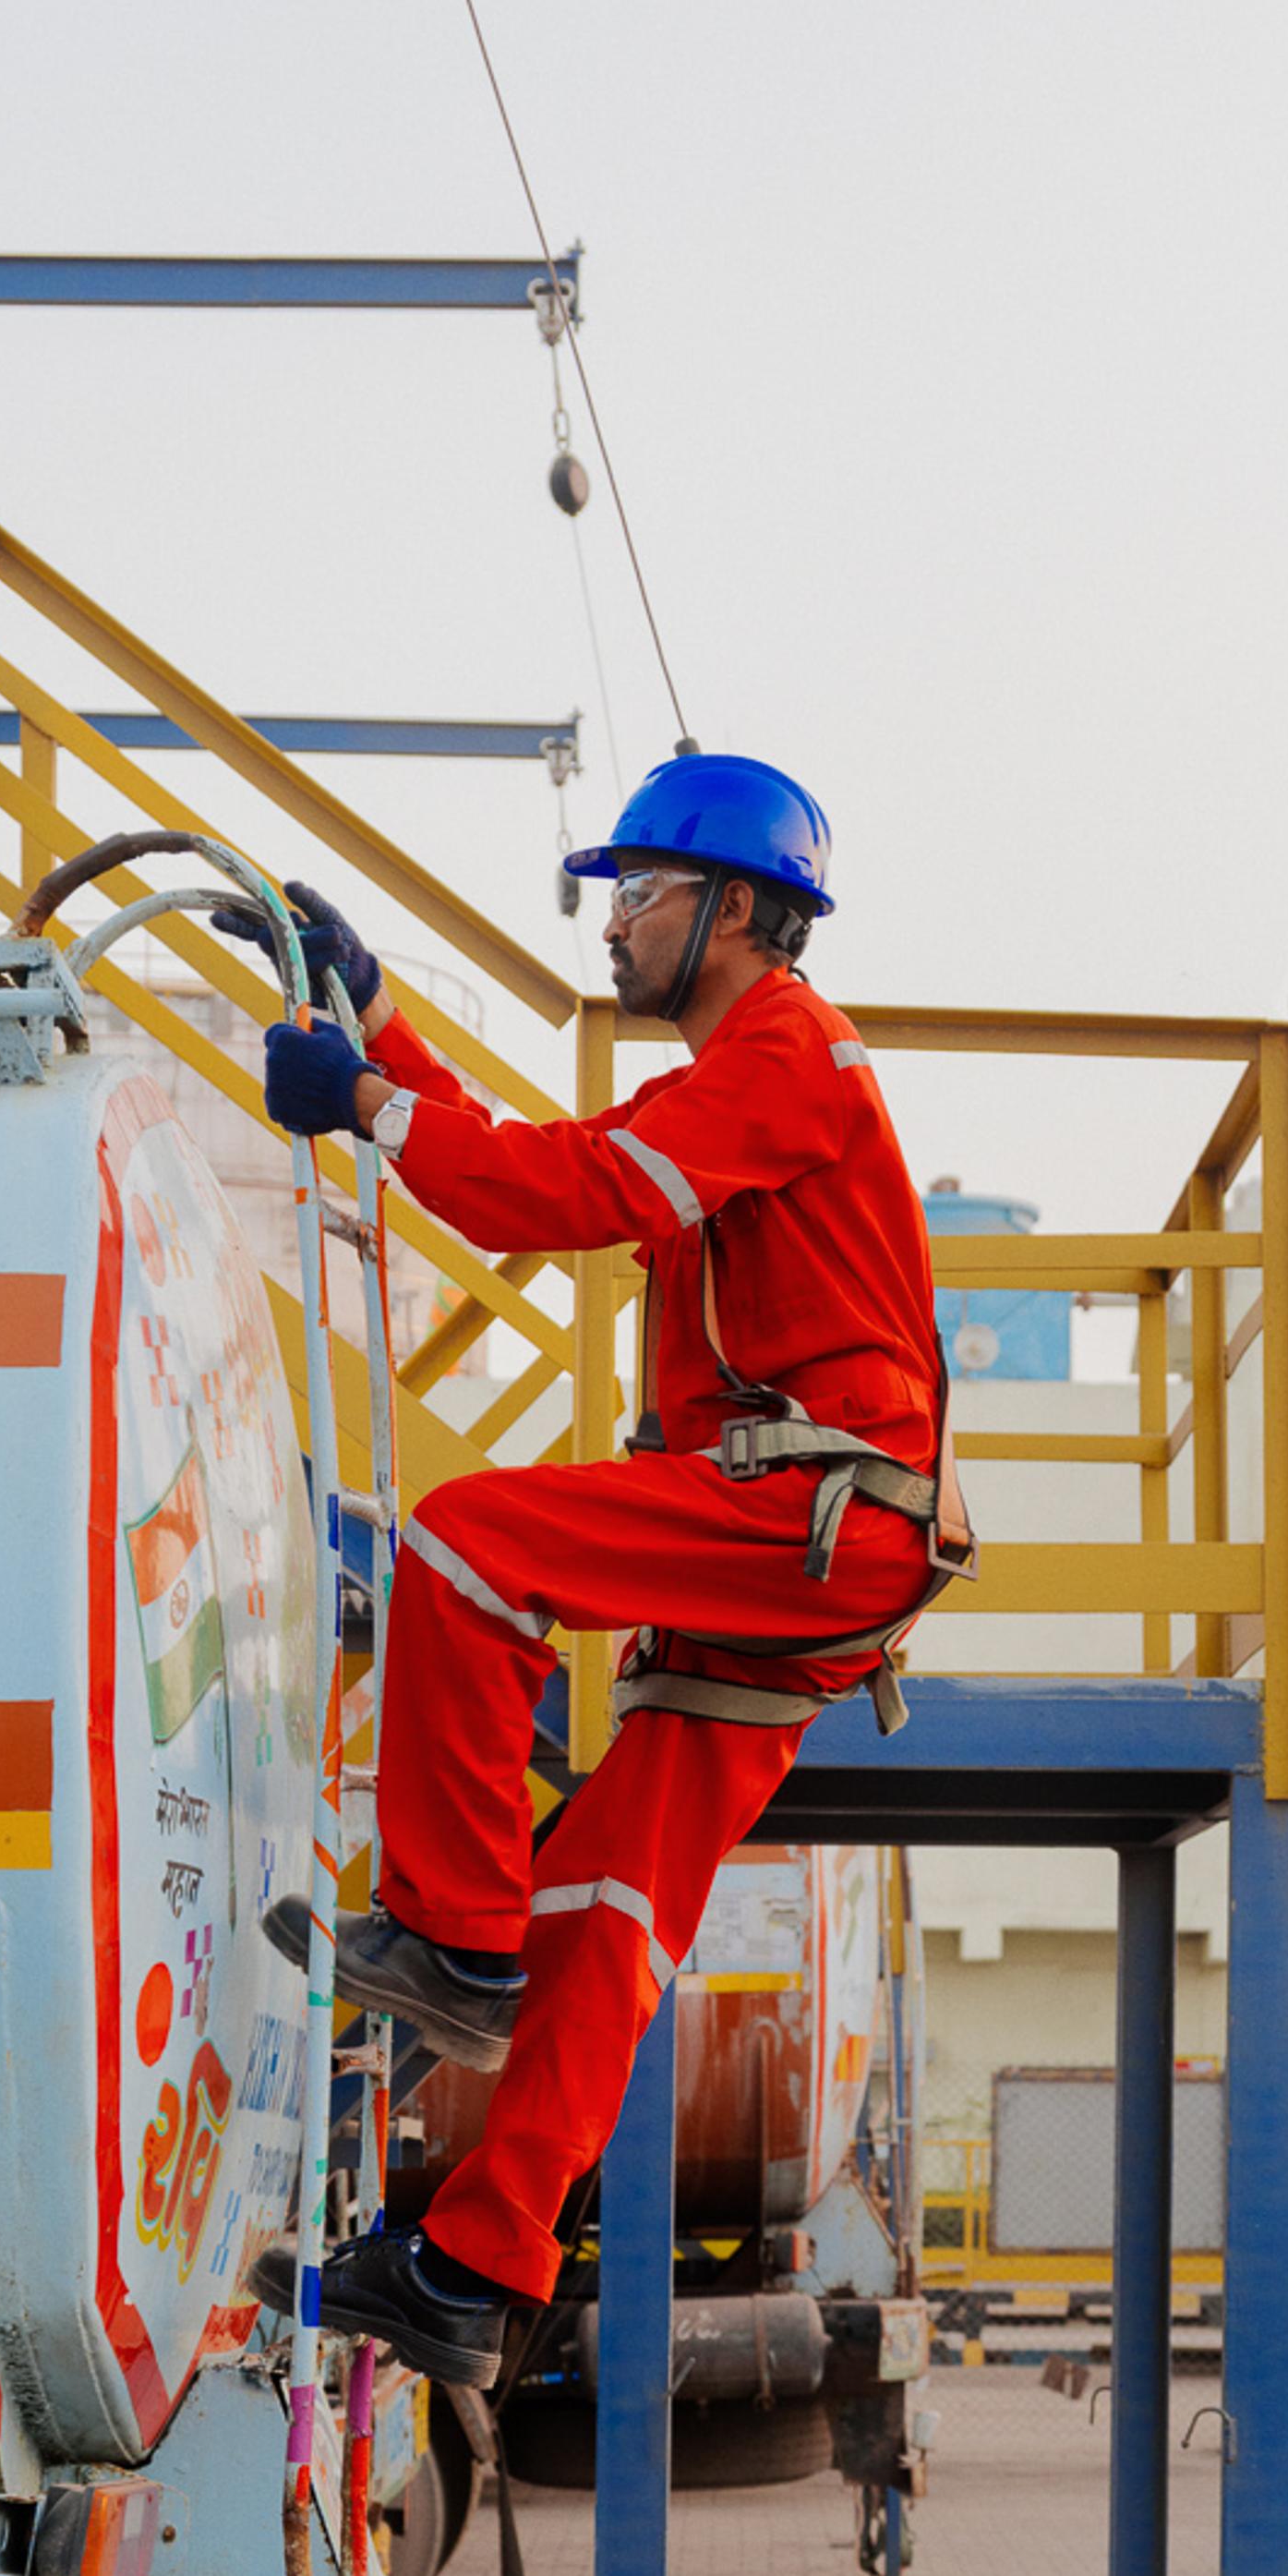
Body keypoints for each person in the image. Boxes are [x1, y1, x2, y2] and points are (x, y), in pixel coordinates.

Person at [220, 760, 968, 2387]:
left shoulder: (784, 1057)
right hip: (804, 1553)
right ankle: (469, 2270)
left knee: (469, 1545)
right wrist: (378, 1011)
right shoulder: (738, 1076)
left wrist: (357, 1103)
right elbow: (557, 1153)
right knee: (613, 1908)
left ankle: (454, 1931)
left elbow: (548, 1193)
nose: (615, 919)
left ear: (741, 911)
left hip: (816, 1517)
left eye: (639, 889)